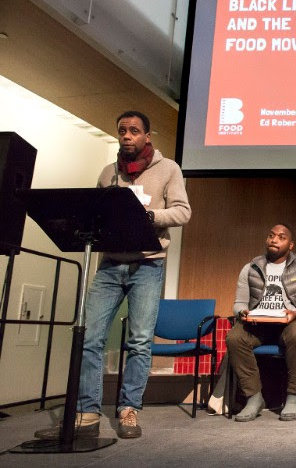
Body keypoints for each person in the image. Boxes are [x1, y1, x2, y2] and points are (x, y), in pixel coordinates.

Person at [35, 111, 191, 440]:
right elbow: (95, 215)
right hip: (109, 264)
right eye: (122, 130)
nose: (127, 136)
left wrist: (148, 215)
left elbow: (182, 211)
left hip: (148, 263)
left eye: (134, 131)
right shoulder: (109, 174)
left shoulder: (168, 169)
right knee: (89, 338)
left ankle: (128, 409)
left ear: (148, 136)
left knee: (138, 341)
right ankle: (88, 411)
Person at [225, 223, 296, 422]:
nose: (274, 240)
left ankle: (294, 397)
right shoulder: (251, 268)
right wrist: (242, 312)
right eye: (271, 235)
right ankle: (253, 398)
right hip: (258, 323)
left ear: (291, 245)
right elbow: (239, 303)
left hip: (290, 321)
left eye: (281, 237)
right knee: (235, 338)